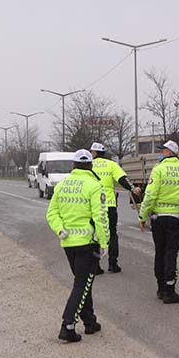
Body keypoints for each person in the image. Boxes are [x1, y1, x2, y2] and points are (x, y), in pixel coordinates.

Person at [46, 149, 110, 342]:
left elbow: (52, 213)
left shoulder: (62, 185)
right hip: (87, 243)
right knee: (82, 284)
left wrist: (60, 230)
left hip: (68, 243)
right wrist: (104, 242)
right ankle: (68, 326)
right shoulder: (95, 186)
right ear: (90, 165)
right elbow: (100, 217)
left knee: (83, 282)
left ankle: (90, 321)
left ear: (73, 165)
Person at [138, 140, 179, 304]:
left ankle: (161, 289)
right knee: (171, 253)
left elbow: (150, 195)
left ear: (170, 152)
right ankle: (170, 290)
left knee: (160, 252)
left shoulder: (158, 170)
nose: (160, 153)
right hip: (176, 219)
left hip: (159, 218)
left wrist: (142, 216)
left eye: (162, 150)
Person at [90, 142, 141, 274]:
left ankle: (95, 266)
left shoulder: (88, 164)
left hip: (92, 206)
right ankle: (113, 264)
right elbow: (123, 179)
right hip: (109, 205)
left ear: (94, 153)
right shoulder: (111, 164)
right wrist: (133, 188)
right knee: (112, 233)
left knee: (94, 234)